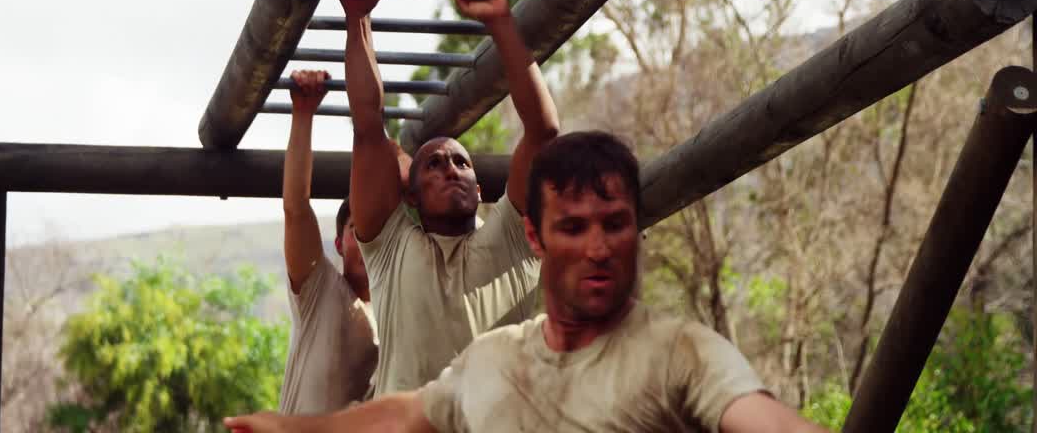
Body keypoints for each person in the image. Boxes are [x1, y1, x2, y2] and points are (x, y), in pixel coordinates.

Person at [225, 131, 832, 433]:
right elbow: (404, 410)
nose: (597, 246)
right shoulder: (495, 355)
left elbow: (759, 417)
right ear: (540, 241)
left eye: (615, 224)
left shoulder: (681, 351)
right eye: (573, 227)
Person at [334, 0, 561, 396]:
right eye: (434, 165)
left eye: (461, 162)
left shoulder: (512, 238)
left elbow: (543, 132)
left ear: (479, 191)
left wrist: (500, 22)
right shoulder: (390, 247)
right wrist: (357, 20)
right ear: (412, 198)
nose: (451, 169)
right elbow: (368, 126)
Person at [276, 69, 378, 414]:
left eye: (374, 228)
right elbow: (295, 207)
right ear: (338, 243)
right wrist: (303, 114)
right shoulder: (321, 288)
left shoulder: (397, 306)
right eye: (355, 229)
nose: (366, 237)